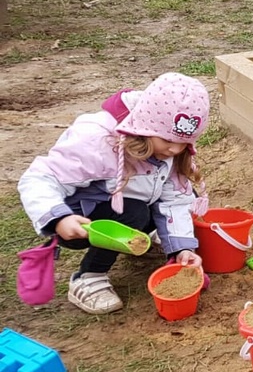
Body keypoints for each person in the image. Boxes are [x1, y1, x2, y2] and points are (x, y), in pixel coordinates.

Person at [17, 73, 209, 315]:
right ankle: (89, 276)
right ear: (146, 126)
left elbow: (175, 199)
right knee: (134, 213)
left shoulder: (170, 148)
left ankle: (153, 234)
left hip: (129, 200)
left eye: (184, 142)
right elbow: (39, 177)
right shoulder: (97, 139)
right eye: (168, 140)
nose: (175, 149)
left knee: (183, 193)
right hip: (79, 220)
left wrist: (181, 249)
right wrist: (59, 218)